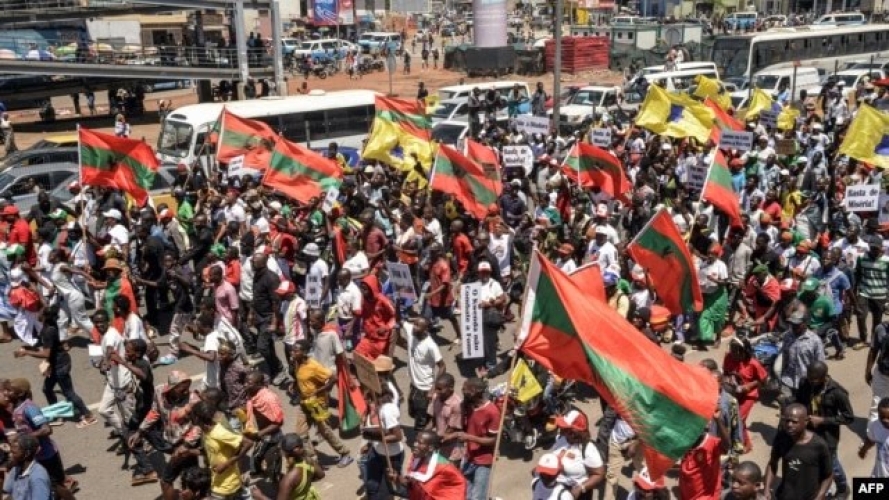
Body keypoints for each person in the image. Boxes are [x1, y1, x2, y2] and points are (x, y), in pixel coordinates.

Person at [14, 303, 97, 429]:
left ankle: (88, 415)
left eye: (40, 311)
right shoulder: (47, 326)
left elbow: (45, 353)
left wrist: (26, 352)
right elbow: (42, 344)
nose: (38, 313)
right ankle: (57, 413)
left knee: (69, 393)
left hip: (60, 365)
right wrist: (27, 348)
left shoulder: (49, 330)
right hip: (55, 364)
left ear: (45, 316)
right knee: (47, 389)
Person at [5, 378, 76, 500]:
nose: (6, 393)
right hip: (34, 455)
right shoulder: (17, 409)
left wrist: (24, 437)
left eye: (10, 390)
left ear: (20, 393)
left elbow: (47, 429)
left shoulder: (29, 408)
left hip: (47, 455)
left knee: (56, 486)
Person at [793, 361, 853, 499]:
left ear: (824, 377)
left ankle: (843, 487)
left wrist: (823, 420)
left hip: (828, 436)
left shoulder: (837, 392)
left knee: (832, 464)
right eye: (808, 378)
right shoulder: (805, 383)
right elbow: (799, 400)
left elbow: (848, 417)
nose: (810, 382)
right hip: (808, 432)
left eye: (814, 379)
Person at [290, 339, 353, 467]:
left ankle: (345, 453)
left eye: (296, 351)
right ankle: (313, 460)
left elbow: (333, 377)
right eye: (293, 350)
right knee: (301, 433)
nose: (292, 352)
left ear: (304, 352)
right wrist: (295, 384)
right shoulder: (297, 362)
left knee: (325, 431)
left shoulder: (313, 366)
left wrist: (318, 391)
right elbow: (301, 377)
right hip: (304, 403)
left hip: (318, 404)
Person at [764, 403, 833, 500]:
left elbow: (828, 475)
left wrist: (820, 495)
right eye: (787, 421)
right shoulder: (781, 438)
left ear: (806, 421)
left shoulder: (819, 445)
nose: (789, 425)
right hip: (785, 496)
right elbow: (772, 463)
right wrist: (766, 489)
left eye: (794, 422)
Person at [191, 401, 253, 499]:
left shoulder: (219, 433)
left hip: (226, 484)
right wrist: (188, 452)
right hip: (217, 480)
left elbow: (248, 443)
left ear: (198, 419)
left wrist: (227, 463)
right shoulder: (206, 432)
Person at [450, 377, 499, 500]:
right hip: (469, 457)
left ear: (476, 391)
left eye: (466, 389)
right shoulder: (468, 407)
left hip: (483, 461)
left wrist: (468, 437)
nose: (463, 391)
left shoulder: (492, 412)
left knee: (478, 497)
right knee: (465, 494)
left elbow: (493, 440)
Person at [397, 317, 445, 432]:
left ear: (425, 329)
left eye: (418, 325)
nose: (414, 327)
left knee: (421, 420)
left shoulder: (431, 346)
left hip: (425, 388)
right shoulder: (411, 331)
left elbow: (442, 366)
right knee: (412, 412)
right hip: (414, 385)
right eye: (415, 324)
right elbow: (399, 319)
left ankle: (422, 442)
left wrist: (433, 389)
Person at [549, 409, 605, 500]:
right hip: (557, 488)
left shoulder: (588, 449)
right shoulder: (561, 438)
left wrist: (581, 488)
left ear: (574, 432)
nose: (561, 429)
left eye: (565, 428)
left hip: (576, 494)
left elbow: (599, 474)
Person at [250, 434, 324, 500]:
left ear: (285, 453)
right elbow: (321, 475)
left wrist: (260, 496)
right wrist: (303, 483)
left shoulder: (288, 480)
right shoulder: (309, 461)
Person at [2, 434, 52, 500]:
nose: (10, 456)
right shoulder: (16, 469)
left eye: (14, 453)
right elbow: (6, 492)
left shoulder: (37, 478)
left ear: (26, 454)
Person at [859, 397, 889, 477]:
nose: (885, 421)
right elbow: (871, 440)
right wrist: (864, 449)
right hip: (879, 472)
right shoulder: (876, 425)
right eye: (882, 417)